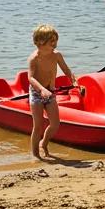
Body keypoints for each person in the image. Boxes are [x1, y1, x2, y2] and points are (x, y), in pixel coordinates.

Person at [27, 24, 78, 161]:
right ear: (40, 42)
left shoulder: (56, 55)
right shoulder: (34, 58)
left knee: (55, 124)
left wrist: (74, 81)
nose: (55, 44)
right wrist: (41, 89)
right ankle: (35, 154)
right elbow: (30, 78)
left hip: (50, 92)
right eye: (51, 41)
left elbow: (67, 70)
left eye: (56, 41)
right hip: (37, 93)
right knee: (37, 126)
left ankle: (44, 143)